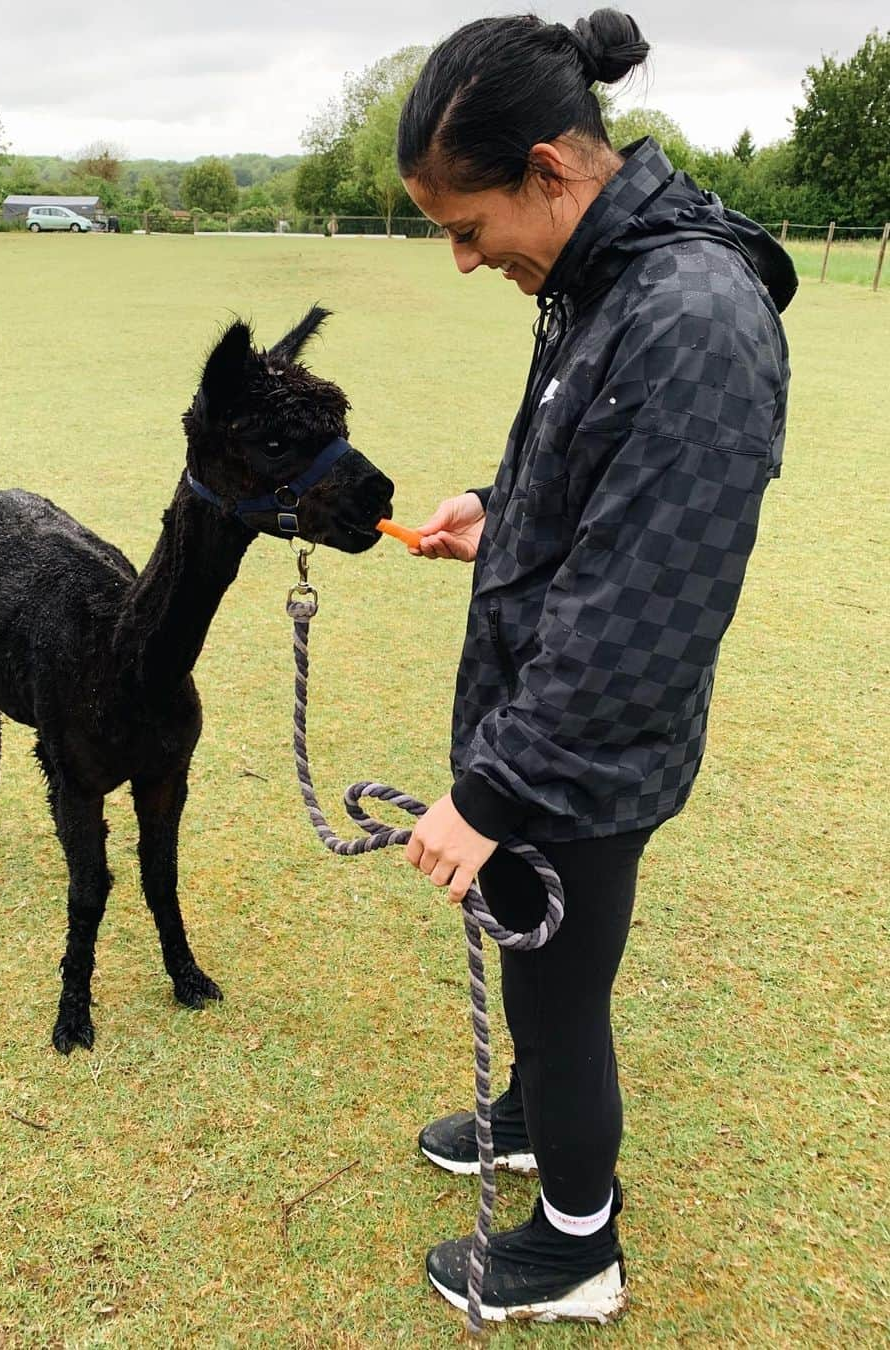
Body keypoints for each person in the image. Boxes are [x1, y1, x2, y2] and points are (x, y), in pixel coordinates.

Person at [395, 9, 795, 1325]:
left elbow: (639, 616)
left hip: (580, 759)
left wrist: (492, 791)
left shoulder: (691, 322)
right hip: (546, 736)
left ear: (552, 173)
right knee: (537, 970)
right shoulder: (603, 284)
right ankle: (530, 1116)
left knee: (562, 993)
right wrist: (490, 507)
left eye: (469, 227)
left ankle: (577, 1242)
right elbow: (587, 485)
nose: (463, 260)